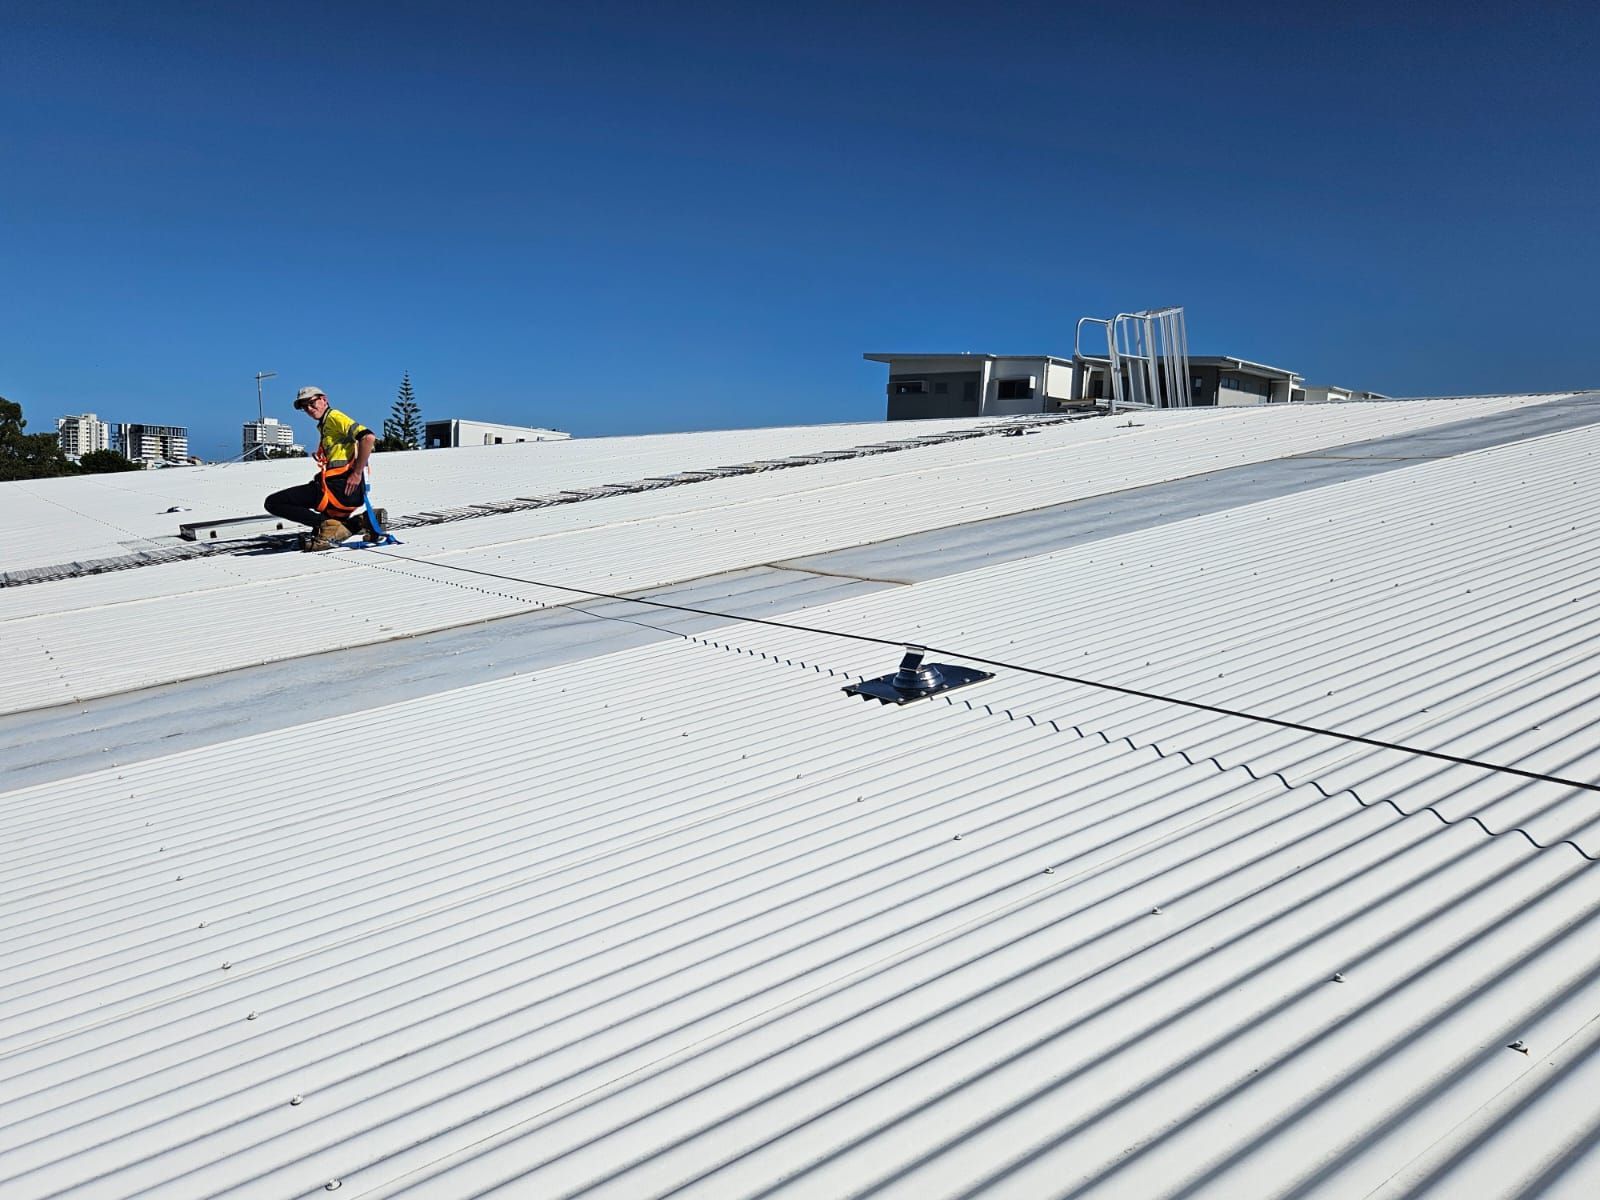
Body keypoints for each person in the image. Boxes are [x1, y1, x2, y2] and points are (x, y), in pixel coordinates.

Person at [264, 387, 386, 551]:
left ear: (324, 399)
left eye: (312, 403)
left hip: (339, 489)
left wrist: (356, 473)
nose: (309, 408)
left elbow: (368, 437)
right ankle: (365, 520)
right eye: (304, 407)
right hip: (348, 492)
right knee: (323, 532)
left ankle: (325, 524)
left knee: (274, 502)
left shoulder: (334, 417)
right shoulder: (324, 424)